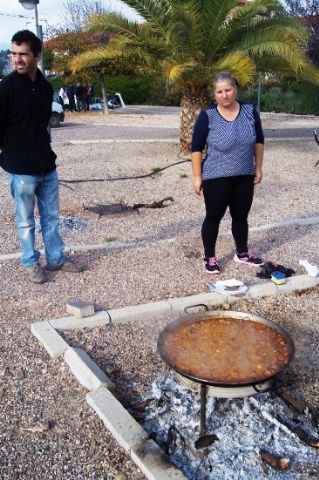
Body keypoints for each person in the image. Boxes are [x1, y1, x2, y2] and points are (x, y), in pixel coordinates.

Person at [0, 30, 84, 284]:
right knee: (25, 221)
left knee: (51, 218)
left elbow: (41, 126)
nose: (17, 59)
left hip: (46, 165)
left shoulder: (46, 88)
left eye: (23, 54)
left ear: (36, 56)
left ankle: (56, 259)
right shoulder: (7, 87)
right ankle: (30, 262)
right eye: (13, 54)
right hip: (20, 168)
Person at [191, 71, 265, 274]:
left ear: (235, 89)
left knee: (241, 216)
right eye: (219, 92)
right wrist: (198, 177)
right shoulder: (208, 116)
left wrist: (258, 167)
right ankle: (210, 257)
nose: (225, 95)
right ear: (214, 94)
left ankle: (242, 253)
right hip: (216, 176)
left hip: (244, 174)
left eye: (228, 90)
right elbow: (196, 148)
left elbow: (259, 140)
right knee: (214, 216)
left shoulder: (250, 110)